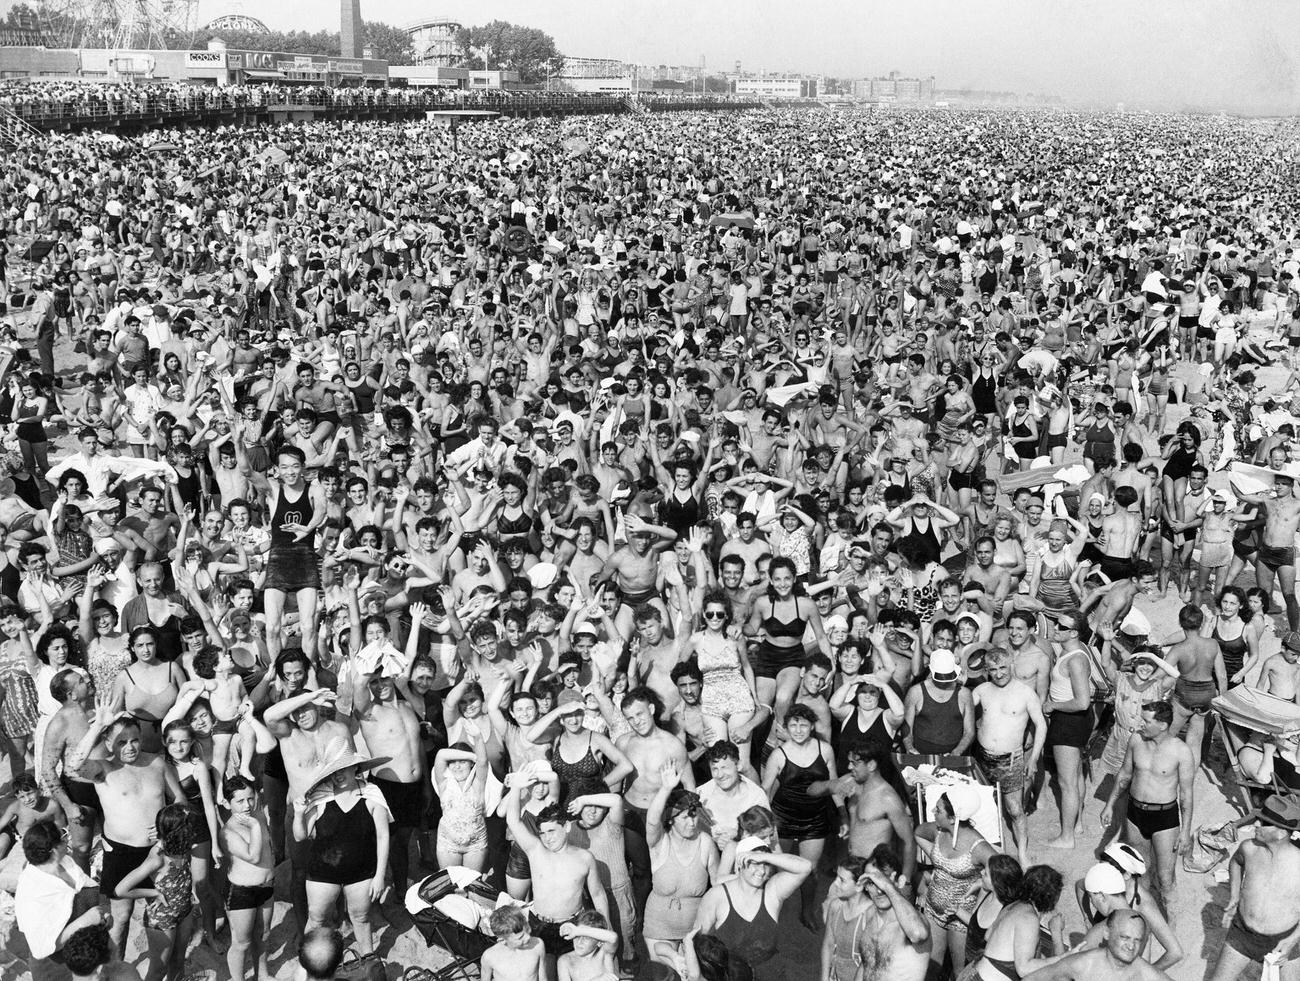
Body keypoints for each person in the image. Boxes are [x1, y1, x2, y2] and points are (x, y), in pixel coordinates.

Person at [292, 747, 392, 956]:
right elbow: (300, 836)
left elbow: (383, 836)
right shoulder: (321, 797)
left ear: (355, 767)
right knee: (317, 919)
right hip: (322, 873)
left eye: (342, 769)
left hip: (362, 872)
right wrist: (299, 814)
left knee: (361, 918)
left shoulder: (372, 794)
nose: (338, 776)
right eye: (334, 771)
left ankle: (368, 961)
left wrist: (379, 876)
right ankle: (311, 963)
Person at [1101, 700, 1194, 917]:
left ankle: (1171, 925)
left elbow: (1186, 795)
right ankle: (1144, 917)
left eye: (1146, 721)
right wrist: (1109, 805)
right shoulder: (1136, 740)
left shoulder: (1181, 751)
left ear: (1162, 725)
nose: (1140, 724)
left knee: (1165, 877)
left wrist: (1186, 831)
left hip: (1165, 818)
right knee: (1139, 870)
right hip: (1135, 814)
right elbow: (1124, 775)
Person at [691, 835, 813, 981]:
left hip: (771, 974)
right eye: (754, 863)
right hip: (732, 976)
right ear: (739, 865)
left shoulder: (772, 892)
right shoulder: (717, 896)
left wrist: (764, 856)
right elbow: (698, 943)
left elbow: (805, 867)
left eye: (765, 864)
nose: (761, 871)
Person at [1209, 793, 1300, 981]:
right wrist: (1234, 895)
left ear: (1282, 832)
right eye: (1259, 819)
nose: (1256, 825)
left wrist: (1293, 939)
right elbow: (1236, 862)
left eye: (1264, 823)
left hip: (1285, 940)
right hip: (1243, 935)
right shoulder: (1249, 848)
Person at [972, 648, 1046, 866]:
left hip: (1011, 759)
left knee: (1014, 809)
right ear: (987, 670)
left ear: (1011, 664)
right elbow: (960, 708)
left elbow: (1041, 725)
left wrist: (1032, 759)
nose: (999, 673)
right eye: (993, 669)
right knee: (981, 806)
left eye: (1003, 667)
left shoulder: (1025, 693)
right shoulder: (982, 690)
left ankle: (1022, 854)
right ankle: (984, 853)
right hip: (983, 758)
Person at [915, 785, 997, 980]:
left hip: (962, 917)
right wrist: (938, 861)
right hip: (934, 909)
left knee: (961, 973)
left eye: (938, 810)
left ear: (953, 818)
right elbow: (918, 833)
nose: (933, 812)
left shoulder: (978, 846)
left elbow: (1004, 873)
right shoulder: (937, 831)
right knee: (930, 968)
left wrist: (981, 884)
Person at [14, 821, 104, 981]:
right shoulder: (31, 894)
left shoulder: (66, 862)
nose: (67, 838)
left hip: (81, 951)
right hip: (55, 965)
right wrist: (85, 921)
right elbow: (41, 949)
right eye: (63, 836)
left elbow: (86, 891)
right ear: (54, 850)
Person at [1021, 910, 1173, 980]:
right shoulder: (1084, 964)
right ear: (1107, 934)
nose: (1131, 946)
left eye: (1137, 940)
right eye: (1125, 937)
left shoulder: (1146, 975)